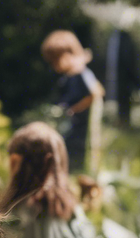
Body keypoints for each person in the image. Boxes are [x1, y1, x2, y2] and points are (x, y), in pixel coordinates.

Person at [41, 30, 104, 173]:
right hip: (70, 129)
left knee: (75, 164)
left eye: (56, 60)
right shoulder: (69, 76)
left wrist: (75, 110)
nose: (55, 65)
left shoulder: (81, 73)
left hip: (79, 132)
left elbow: (96, 92)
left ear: (67, 55)